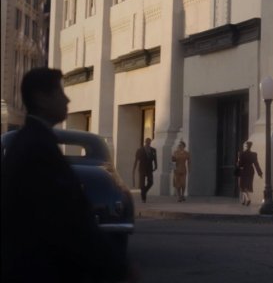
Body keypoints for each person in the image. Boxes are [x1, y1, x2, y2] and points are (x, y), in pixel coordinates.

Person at [1, 67, 134, 282]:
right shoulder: (37, 147)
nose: (67, 100)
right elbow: (69, 218)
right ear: (42, 99)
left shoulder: (32, 141)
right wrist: (116, 266)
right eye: (59, 93)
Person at [236, 141, 262, 206]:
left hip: (244, 170)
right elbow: (256, 164)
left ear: (246, 146)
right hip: (251, 170)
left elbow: (240, 164)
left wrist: (238, 162)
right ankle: (243, 201)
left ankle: (247, 198)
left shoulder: (242, 154)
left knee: (242, 186)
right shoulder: (254, 154)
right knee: (247, 185)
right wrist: (260, 173)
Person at [133, 136, 157, 203]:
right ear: (145, 142)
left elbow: (155, 159)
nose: (148, 143)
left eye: (149, 142)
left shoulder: (153, 150)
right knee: (142, 184)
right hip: (142, 168)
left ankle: (144, 192)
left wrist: (156, 166)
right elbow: (136, 160)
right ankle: (144, 198)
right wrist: (134, 168)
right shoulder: (140, 150)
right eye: (147, 142)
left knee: (151, 182)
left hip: (149, 168)